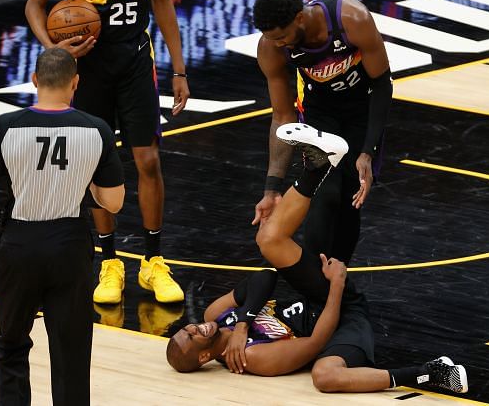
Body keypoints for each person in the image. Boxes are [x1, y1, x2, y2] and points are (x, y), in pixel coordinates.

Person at [167, 124, 468, 394]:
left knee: (268, 240)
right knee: (324, 377)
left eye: (186, 329)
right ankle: (430, 373)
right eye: (191, 337)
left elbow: (264, 277)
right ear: (204, 357)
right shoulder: (253, 357)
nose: (193, 328)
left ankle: (317, 166)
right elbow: (316, 343)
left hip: (314, 296)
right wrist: (337, 288)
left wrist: (244, 322)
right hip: (341, 317)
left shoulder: (216, 315)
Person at [24, 0, 190, 305]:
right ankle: (111, 263)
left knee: (148, 160)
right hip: (90, 69)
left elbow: (162, 0)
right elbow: (33, 4)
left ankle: (153, 263)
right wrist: (53, 50)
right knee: (99, 166)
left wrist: (180, 69)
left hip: (136, 59)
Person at [0, 47, 125, 405]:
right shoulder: (96, 129)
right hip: (70, 245)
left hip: (20, 244)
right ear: (76, 83)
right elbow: (113, 202)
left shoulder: (5, 127)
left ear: (35, 80)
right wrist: (85, 179)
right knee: (71, 352)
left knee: (11, 344)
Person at [250, 0, 393, 265]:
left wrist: (368, 151)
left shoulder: (351, 19)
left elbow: (381, 84)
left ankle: (337, 281)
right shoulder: (271, 48)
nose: (278, 44)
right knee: (324, 193)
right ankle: (315, 283)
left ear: (300, 19)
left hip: (362, 109)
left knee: (351, 200)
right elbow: (282, 116)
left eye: (281, 36)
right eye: (272, 39)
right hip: (319, 113)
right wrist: (271, 188)